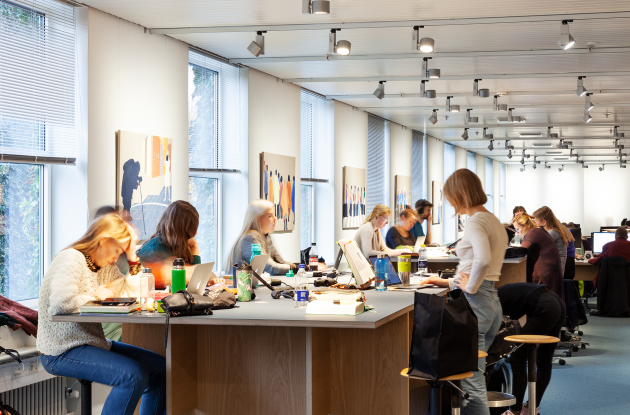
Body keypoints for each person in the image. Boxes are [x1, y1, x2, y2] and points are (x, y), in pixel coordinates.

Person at [37, 214, 166, 415]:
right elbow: (60, 304)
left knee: (160, 370)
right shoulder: (71, 258)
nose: (117, 257)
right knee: (132, 376)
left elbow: (130, 292)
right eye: (116, 250)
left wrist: (133, 259)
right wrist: (94, 295)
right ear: (103, 240)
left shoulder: (104, 267)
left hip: (91, 342)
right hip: (60, 349)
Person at [419, 168, 507, 415]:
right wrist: (448, 283)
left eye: (449, 197)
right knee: (475, 376)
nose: (449, 202)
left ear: (459, 194)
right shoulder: (493, 220)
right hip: (490, 303)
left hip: (476, 303)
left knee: (472, 383)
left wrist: (468, 286)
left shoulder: (476, 221)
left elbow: (482, 260)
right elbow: (481, 267)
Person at [498, 283, 566, 415]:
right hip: (556, 302)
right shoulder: (495, 295)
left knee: (517, 359)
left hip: (544, 307)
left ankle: (515, 411)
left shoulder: (490, 303)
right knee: (544, 362)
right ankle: (530, 409)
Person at [137, 200, 222, 289]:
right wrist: (204, 276)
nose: (196, 233)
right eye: (192, 230)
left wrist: (194, 246)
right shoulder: (156, 246)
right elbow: (191, 277)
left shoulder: (174, 246)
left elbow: (195, 279)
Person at [225, 199, 306, 276]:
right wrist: (300, 268)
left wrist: (303, 267)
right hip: (239, 288)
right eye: (270, 216)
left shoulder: (265, 235)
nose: (276, 219)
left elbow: (280, 262)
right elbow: (270, 268)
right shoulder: (250, 237)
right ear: (259, 220)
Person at [513, 212, 564, 300]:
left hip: (544, 276)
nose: (517, 233)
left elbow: (521, 251)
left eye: (517, 229)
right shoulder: (538, 230)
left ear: (524, 225)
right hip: (550, 273)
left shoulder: (532, 233)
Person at [532, 206, 574, 276]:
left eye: (535, 221)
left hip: (555, 273)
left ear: (544, 222)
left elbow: (537, 247)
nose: (534, 224)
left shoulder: (552, 233)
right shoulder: (551, 231)